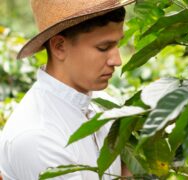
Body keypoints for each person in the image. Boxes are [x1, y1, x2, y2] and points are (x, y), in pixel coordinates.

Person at [0, 0, 135, 179]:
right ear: (59, 47)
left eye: (118, 44)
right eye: (103, 48)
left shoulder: (106, 104)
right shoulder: (37, 137)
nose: (117, 60)